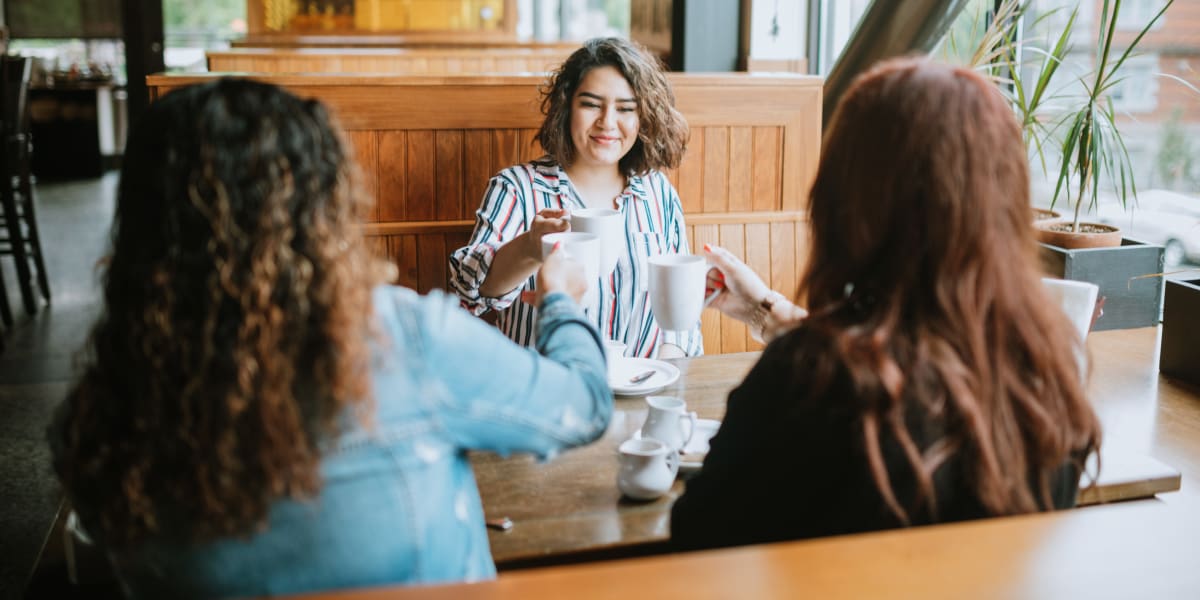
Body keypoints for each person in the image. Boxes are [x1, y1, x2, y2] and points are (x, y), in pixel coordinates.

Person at [49, 78, 612, 597]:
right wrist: (561, 299)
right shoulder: (404, 337)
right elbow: (584, 405)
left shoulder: (98, 416)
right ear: (324, 208)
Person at [670, 57, 1102, 551]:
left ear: (846, 202)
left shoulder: (807, 380)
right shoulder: (1043, 370)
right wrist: (763, 308)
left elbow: (697, 535)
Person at [449, 37, 702, 359]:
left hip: (642, 386)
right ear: (567, 105)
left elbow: (682, 316)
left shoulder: (658, 192)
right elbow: (473, 291)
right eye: (592, 104)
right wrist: (531, 245)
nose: (607, 122)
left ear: (644, 118)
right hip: (547, 392)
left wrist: (661, 375)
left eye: (625, 108)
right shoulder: (517, 187)